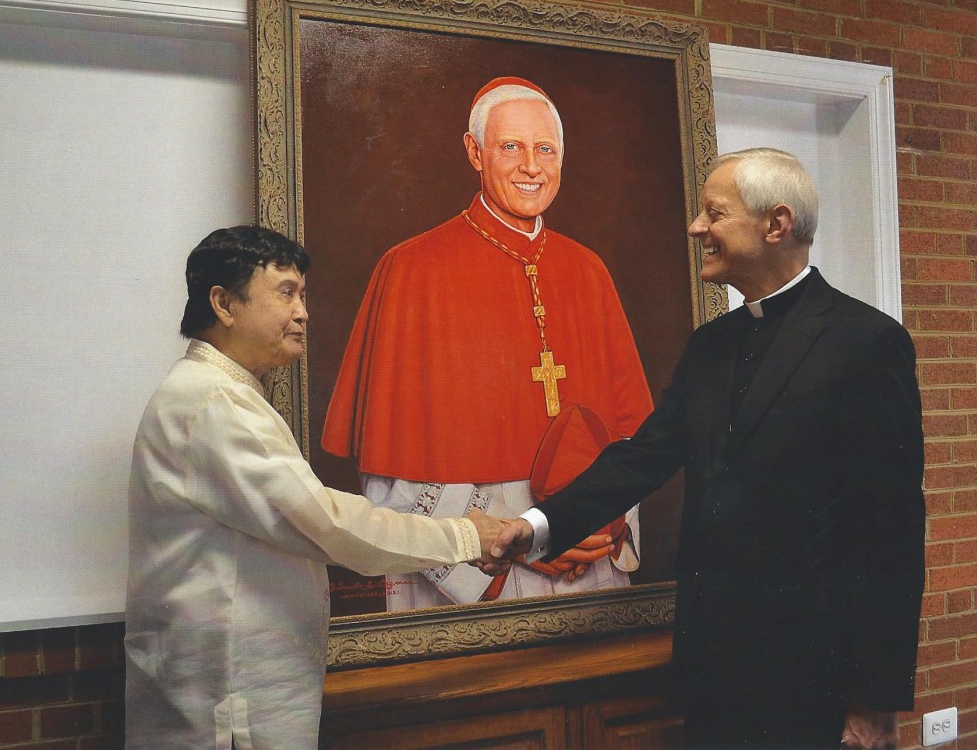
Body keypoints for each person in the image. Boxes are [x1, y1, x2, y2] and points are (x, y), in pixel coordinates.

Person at [490, 148, 926, 750]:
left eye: (714, 213)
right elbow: (641, 458)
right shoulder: (710, 346)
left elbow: (891, 533)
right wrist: (535, 526)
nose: (697, 228)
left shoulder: (868, 343)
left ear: (776, 225)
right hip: (712, 675)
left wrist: (874, 699)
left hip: (815, 685)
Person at [124, 225, 504, 750]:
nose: (303, 312)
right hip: (227, 707)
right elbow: (328, 524)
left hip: (236, 695)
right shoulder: (213, 404)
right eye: (285, 292)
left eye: (303, 295)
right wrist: (465, 537)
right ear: (224, 303)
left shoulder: (220, 394)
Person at [321, 77, 654, 609]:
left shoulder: (588, 270)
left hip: (589, 568)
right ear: (475, 153)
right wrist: (509, 542)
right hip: (477, 581)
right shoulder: (411, 269)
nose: (530, 165)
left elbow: (636, 442)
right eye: (510, 147)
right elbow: (388, 475)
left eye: (544, 148)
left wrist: (603, 521)